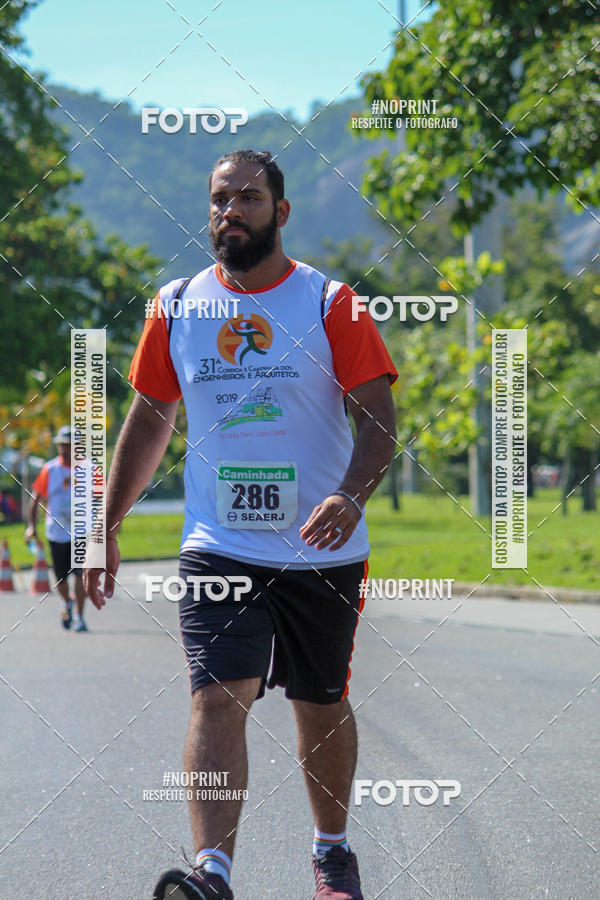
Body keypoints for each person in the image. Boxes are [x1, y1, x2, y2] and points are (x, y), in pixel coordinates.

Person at [85, 149, 398, 900]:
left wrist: (352, 493)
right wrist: (106, 525)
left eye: (249, 198)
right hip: (219, 545)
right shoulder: (177, 305)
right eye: (220, 198)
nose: (231, 211)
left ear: (280, 213)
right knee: (216, 694)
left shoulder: (332, 303)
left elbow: (380, 422)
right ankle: (212, 875)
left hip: (320, 547)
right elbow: (150, 420)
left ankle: (331, 852)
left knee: (318, 700)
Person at [26, 425, 89, 631]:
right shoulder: (50, 470)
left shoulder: (88, 469)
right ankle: (66, 603)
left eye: (69, 445)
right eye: (61, 445)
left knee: (81, 574)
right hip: (56, 532)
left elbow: (102, 499)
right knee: (60, 579)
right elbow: (36, 499)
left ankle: (79, 616)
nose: (64, 449)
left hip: (81, 531)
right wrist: (31, 526)